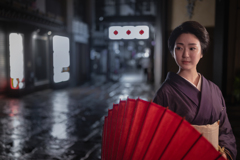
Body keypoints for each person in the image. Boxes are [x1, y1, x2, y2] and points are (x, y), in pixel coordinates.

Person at [153, 21, 237, 160]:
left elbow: (225, 130)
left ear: (202, 52)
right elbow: (157, 137)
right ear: (173, 52)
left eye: (192, 48)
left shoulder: (214, 89)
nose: (185, 54)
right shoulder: (165, 92)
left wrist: (225, 154)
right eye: (179, 48)